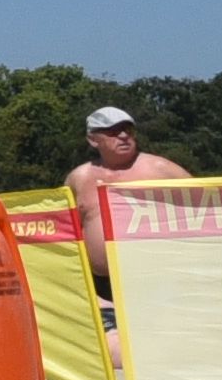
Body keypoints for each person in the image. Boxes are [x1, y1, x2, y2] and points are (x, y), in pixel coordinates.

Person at [66, 105, 190, 293]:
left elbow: (207, 207)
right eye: (113, 132)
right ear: (93, 139)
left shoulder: (161, 169)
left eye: (128, 130)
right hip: (101, 286)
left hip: (160, 280)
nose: (123, 136)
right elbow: (66, 230)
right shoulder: (79, 178)